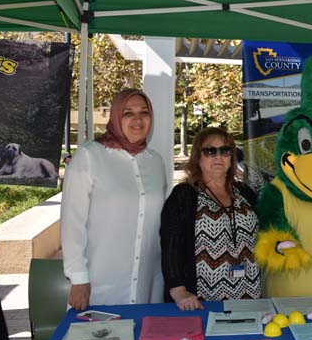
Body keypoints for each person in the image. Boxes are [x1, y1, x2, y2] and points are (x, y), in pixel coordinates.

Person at [61, 89, 167, 310]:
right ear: (116, 117)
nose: (138, 120)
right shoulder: (90, 156)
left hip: (148, 283)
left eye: (144, 112)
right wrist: (79, 278)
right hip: (100, 283)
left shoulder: (155, 162)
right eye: (128, 113)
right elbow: (72, 222)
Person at [160, 127, 260, 311]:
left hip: (250, 293)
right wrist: (178, 290)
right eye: (210, 151)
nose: (218, 156)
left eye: (225, 150)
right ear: (198, 157)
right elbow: (170, 245)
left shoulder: (244, 192)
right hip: (201, 300)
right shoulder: (184, 195)